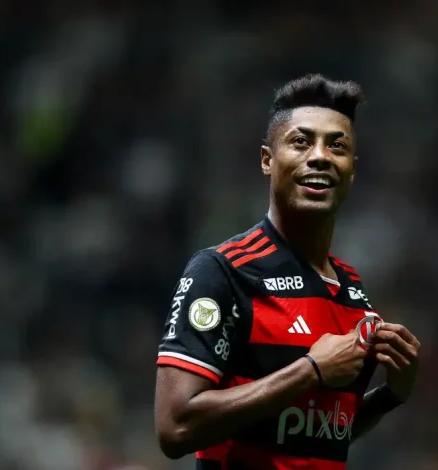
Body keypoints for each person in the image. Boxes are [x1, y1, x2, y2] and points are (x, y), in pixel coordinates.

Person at [154, 73, 422, 469]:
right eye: (301, 142)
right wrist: (310, 370)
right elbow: (174, 427)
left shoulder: (351, 288)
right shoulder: (224, 271)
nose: (320, 156)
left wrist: (389, 396)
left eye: (337, 146)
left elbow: (316, 431)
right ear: (268, 160)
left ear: (351, 170)